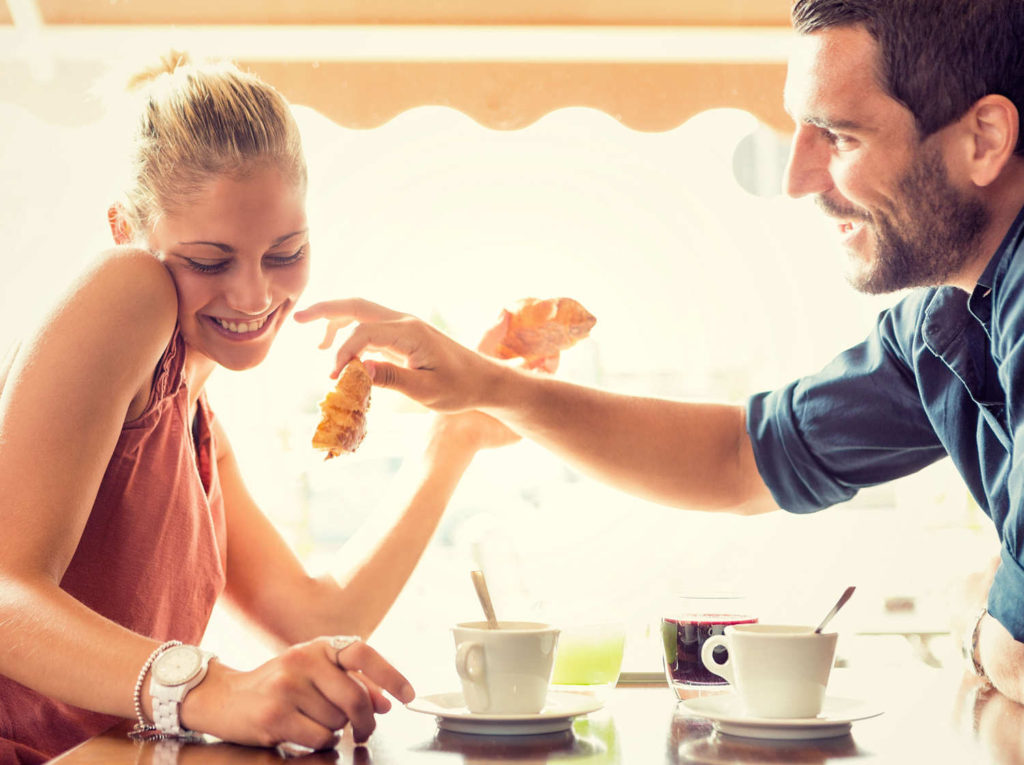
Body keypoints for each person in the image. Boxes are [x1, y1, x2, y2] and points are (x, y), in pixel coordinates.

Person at [294, 0, 1024, 703]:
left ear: (984, 139)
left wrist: (974, 619)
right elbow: (738, 459)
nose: (798, 178)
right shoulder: (941, 324)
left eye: (840, 136)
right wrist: (488, 386)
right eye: (799, 129)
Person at [0, 54, 519, 764]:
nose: (252, 295)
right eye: (210, 261)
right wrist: (209, 688)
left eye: (286, 252)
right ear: (126, 228)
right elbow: (3, 593)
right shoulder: (129, 286)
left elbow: (318, 615)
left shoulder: (196, 421)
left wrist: (453, 437)